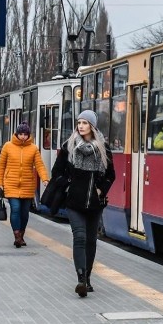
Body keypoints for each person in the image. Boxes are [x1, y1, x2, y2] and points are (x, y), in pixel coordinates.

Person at [51, 110, 116, 297]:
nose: (80, 126)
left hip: (95, 204)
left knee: (90, 241)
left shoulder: (103, 148)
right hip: (74, 202)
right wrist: (70, 184)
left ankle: (87, 278)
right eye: (79, 122)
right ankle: (80, 279)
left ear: (92, 126)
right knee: (79, 237)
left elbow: (111, 175)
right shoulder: (68, 146)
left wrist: (101, 189)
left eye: (85, 123)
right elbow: (57, 173)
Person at [0, 122, 49, 248]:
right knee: (15, 209)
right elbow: (1, 166)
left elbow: (39, 165)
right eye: (21, 134)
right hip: (11, 184)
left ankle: (22, 234)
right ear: (16, 134)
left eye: (25, 134)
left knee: (25, 213)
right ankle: (17, 236)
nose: (23, 137)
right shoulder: (7, 146)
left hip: (28, 184)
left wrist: (45, 178)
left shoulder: (33, 148)